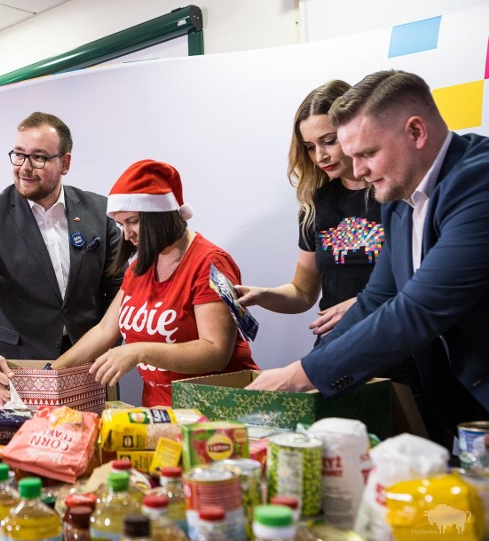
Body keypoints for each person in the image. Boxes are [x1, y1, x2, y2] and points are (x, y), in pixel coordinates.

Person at [247, 70, 489, 445]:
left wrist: (301, 375)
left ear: (416, 132)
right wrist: (305, 367)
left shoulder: (480, 183)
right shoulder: (399, 199)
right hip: (459, 401)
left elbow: (417, 309)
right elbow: (375, 300)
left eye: (368, 153)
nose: (357, 170)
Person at [236, 80, 423, 409]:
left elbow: (425, 281)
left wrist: (364, 303)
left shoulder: (397, 194)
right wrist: (262, 295)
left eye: (329, 141)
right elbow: (303, 293)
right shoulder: (316, 204)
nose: (320, 155)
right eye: (309, 147)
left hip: (401, 348)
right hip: (339, 352)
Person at [0, 111, 123, 401]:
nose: (25, 167)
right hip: (15, 367)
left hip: (91, 365)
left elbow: (118, 291)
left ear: (65, 163)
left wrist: (113, 344)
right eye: (19, 155)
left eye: (38, 157)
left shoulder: (98, 211)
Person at [53, 159, 259, 406]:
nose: (127, 235)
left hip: (215, 410)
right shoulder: (143, 265)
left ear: (160, 215)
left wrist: (139, 350)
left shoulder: (209, 263)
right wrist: (51, 373)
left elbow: (215, 352)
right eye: (121, 224)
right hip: (160, 412)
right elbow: (106, 331)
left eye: (133, 221)